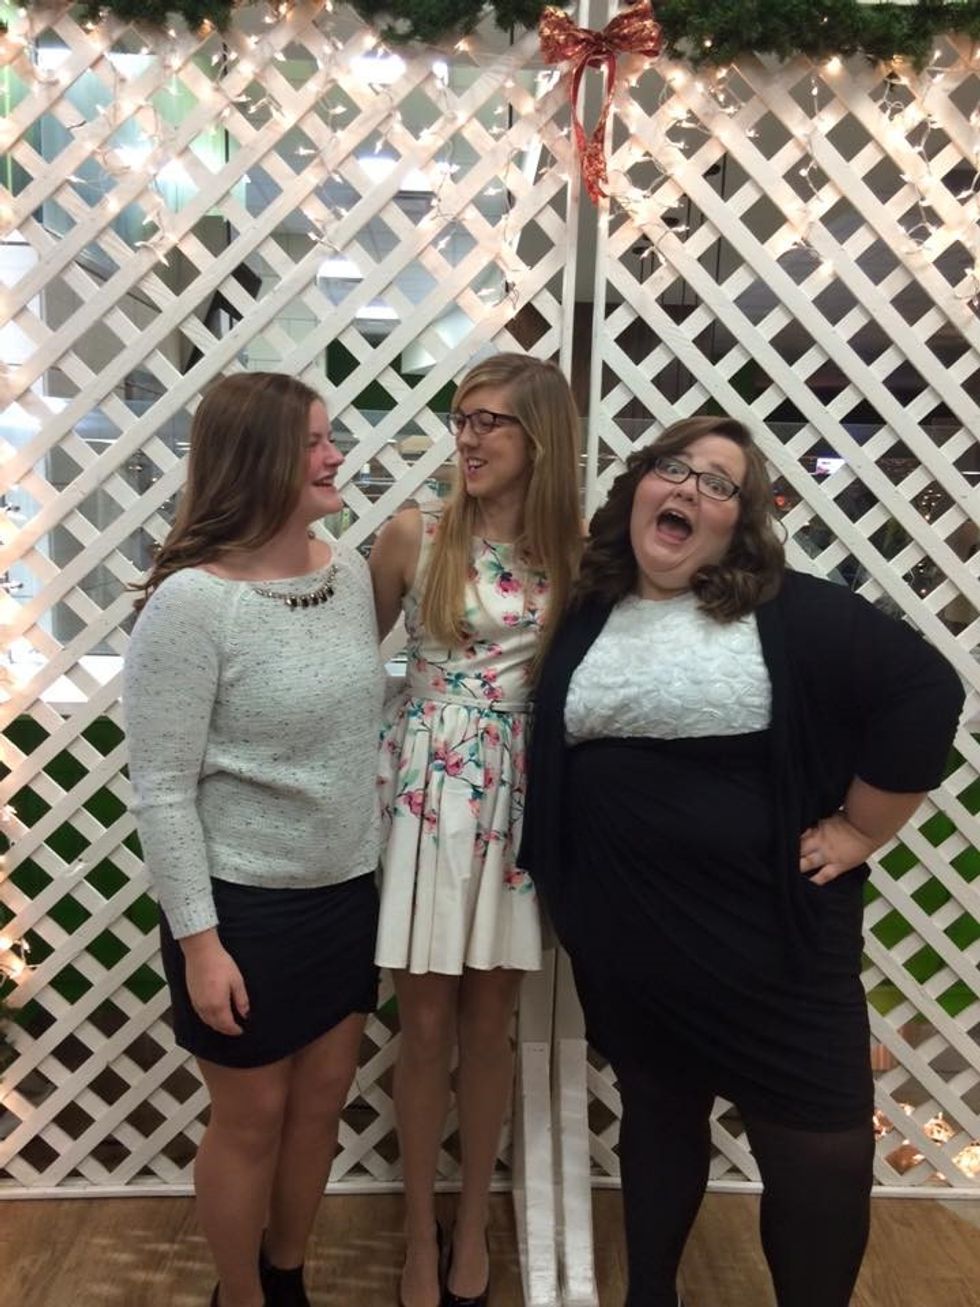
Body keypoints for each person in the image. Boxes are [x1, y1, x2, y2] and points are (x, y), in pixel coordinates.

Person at [519, 415, 964, 1307]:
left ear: (741, 520)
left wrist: (860, 829)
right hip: (635, 944)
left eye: (717, 482)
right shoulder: (592, 609)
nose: (687, 488)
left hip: (773, 947)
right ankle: (651, 1294)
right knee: (658, 1115)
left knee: (820, 1148)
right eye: (671, 467)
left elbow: (927, 688)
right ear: (638, 489)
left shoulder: (790, 610)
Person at [124, 372, 385, 1307]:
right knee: (251, 1118)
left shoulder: (350, 573)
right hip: (241, 911)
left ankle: (287, 1276)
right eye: (313, 441)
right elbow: (161, 789)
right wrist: (200, 943)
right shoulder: (191, 605)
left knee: (319, 1107)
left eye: (330, 436)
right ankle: (238, 1295)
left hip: (345, 893)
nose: (335, 455)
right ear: (259, 460)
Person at [370, 353, 582, 1307]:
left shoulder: (577, 554)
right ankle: (419, 1231)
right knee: (422, 1026)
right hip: (423, 789)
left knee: (490, 1025)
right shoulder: (414, 532)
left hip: (515, 795)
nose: (469, 435)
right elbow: (342, 669)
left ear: (541, 437)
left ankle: (472, 1224)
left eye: (491, 420)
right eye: (462, 418)